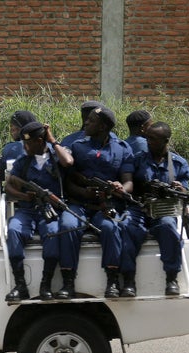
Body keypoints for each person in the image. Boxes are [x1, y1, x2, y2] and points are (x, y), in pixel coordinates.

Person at [56, 106, 135, 299]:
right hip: (79, 204)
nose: (86, 123)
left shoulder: (122, 148)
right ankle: (68, 282)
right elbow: (68, 182)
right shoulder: (77, 146)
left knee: (110, 227)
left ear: (102, 127)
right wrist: (85, 192)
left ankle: (113, 281)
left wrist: (120, 189)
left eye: (91, 121)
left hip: (106, 205)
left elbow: (129, 182)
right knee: (67, 225)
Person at [119, 121, 189, 297]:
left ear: (165, 140)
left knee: (168, 226)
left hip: (163, 208)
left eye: (153, 139)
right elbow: (127, 180)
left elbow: (185, 190)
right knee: (127, 226)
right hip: (140, 206)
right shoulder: (137, 159)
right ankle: (129, 280)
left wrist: (179, 189)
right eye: (147, 137)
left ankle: (171, 277)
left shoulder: (178, 163)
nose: (148, 141)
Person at [4, 121, 74, 301]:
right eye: (24, 143)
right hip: (27, 210)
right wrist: (23, 195)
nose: (25, 147)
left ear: (41, 140)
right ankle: (20, 285)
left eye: (29, 143)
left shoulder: (57, 156)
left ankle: (46, 284)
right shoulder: (23, 162)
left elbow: (68, 161)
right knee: (14, 230)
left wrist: (52, 140)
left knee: (52, 234)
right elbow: (9, 186)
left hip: (49, 210)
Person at [0, 110, 38, 185]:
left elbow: (1, 176)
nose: (11, 130)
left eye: (13, 127)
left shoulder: (9, 148)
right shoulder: (49, 145)